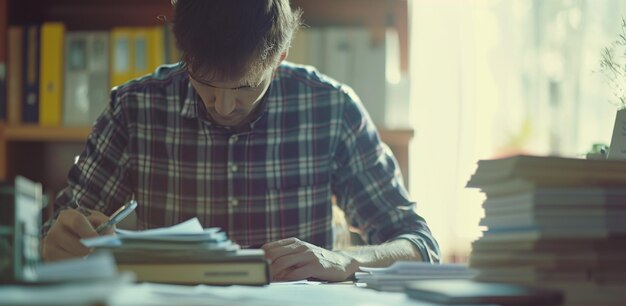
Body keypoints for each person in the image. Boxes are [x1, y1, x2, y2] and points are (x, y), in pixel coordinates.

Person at [41, 0, 440, 282]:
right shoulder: (133, 109)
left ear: (281, 56)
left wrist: (342, 259)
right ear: (183, 53)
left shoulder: (333, 110)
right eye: (205, 84)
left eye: (245, 88)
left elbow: (420, 246)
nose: (223, 105)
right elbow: (54, 236)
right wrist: (62, 242)